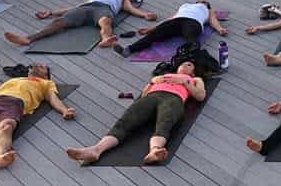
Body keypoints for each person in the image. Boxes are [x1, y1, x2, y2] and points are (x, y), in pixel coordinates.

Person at [65, 60, 206, 166]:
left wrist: (184, 82)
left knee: (165, 122)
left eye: (189, 65)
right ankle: (95, 150)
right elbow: (144, 94)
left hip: (173, 98)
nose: (185, 65)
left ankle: (155, 150)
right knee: (125, 122)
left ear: (193, 72)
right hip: (152, 96)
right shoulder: (163, 75)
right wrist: (152, 83)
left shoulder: (194, 79)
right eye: (184, 63)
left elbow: (200, 95)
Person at [4, 0, 156, 48]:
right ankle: (28, 39)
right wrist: (50, 13)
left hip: (103, 9)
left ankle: (106, 39)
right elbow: (73, 7)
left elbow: (131, 9)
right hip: (86, 6)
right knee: (61, 22)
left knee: (106, 22)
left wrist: (144, 15)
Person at [113, 1, 226, 56]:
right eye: (202, 1)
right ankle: (128, 50)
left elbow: (213, 20)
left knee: (192, 40)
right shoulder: (185, 5)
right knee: (154, 35)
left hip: (193, 22)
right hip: (177, 20)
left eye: (205, 3)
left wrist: (219, 29)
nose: (203, 2)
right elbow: (171, 17)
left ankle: (190, 60)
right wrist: (151, 28)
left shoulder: (208, 10)